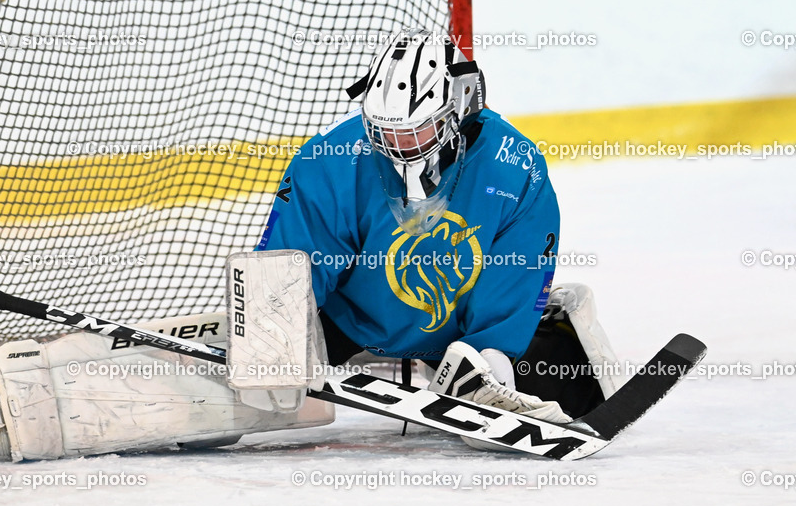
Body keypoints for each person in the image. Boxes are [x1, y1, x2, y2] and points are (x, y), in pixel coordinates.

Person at [256, 29, 619, 425]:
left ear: (458, 109)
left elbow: (518, 271)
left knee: (575, 393)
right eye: (383, 129)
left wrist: (490, 361)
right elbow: (295, 261)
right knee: (258, 382)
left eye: (415, 130)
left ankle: (492, 359)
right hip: (351, 320)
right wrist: (276, 339)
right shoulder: (330, 159)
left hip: (460, 330)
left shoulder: (515, 165)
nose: (396, 142)